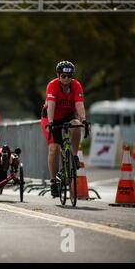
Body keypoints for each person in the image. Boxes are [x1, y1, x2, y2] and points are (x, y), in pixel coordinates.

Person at [40, 61, 89, 198]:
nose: (66, 79)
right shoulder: (52, 85)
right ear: (58, 75)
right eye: (63, 76)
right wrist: (50, 122)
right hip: (51, 117)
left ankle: (73, 156)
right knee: (54, 148)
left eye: (69, 76)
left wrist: (83, 119)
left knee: (76, 123)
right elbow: (51, 105)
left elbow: (79, 105)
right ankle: (53, 182)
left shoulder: (76, 85)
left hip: (67, 115)